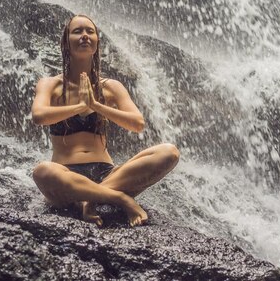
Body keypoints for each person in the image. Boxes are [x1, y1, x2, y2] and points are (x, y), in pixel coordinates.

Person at [31, 14, 180, 227]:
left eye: (89, 31)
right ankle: (117, 198)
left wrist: (97, 106)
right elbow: (39, 116)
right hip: (67, 174)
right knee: (43, 171)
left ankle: (92, 199)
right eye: (77, 31)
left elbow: (137, 123)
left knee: (169, 152)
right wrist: (80, 107)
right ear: (66, 42)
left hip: (108, 174)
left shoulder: (111, 87)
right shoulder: (50, 85)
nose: (84, 36)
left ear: (97, 42)